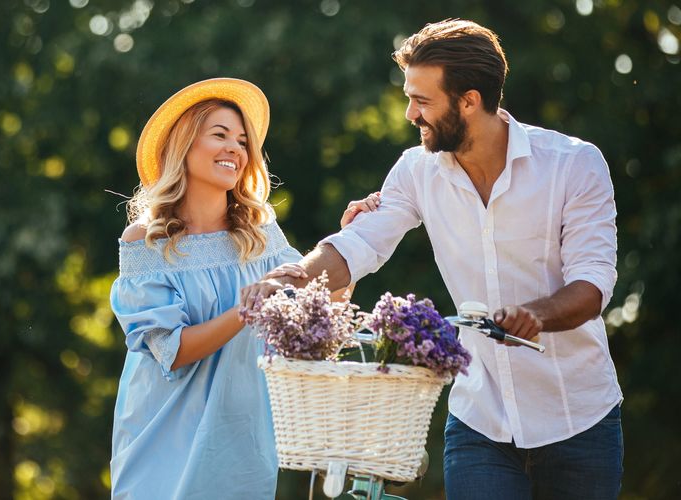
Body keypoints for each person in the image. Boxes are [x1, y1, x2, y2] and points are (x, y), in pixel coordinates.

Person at [240, 19, 622, 500]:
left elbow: (592, 283)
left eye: (422, 101)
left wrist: (536, 316)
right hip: (480, 418)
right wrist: (293, 276)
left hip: (578, 417)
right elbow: (359, 244)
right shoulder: (416, 170)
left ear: (470, 100)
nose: (409, 114)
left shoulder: (574, 164)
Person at [109, 78, 378, 499]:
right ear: (184, 145)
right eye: (219, 135)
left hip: (240, 440)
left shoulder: (260, 234)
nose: (235, 148)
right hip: (162, 437)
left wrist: (349, 248)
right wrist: (248, 308)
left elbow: (317, 320)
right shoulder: (146, 241)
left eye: (242, 140)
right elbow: (172, 350)